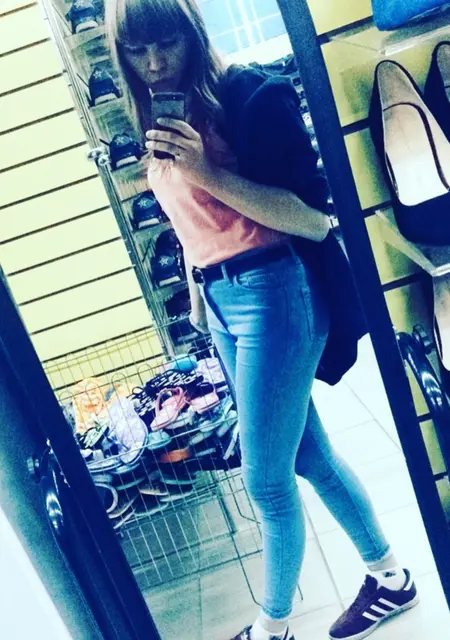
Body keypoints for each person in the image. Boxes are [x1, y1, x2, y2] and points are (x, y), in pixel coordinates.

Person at [105, 1, 419, 638]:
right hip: (223, 304)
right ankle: (390, 577)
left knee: (267, 482)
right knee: (311, 458)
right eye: (137, 50)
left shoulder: (251, 97)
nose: (155, 63)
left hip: (273, 292)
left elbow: (310, 219)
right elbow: (191, 224)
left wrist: (203, 170)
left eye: (166, 42)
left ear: (193, 32)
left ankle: (272, 629)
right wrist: (199, 302)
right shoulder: (158, 118)